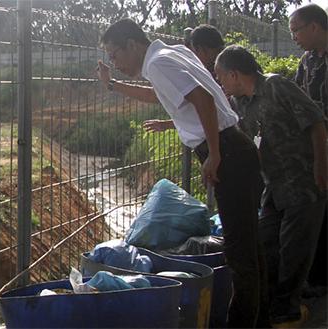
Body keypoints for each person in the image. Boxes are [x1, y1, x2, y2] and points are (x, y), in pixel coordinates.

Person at [97, 18, 268, 328]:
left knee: (241, 253)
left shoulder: (160, 63)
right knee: (249, 246)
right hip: (235, 147)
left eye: (115, 54)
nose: (115, 62)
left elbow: (202, 98)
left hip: (226, 150)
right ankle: (262, 319)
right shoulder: (172, 53)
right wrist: (112, 85)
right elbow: (162, 96)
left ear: (132, 45)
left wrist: (214, 154)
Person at [214, 45, 327, 327]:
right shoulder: (241, 103)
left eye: (221, 76)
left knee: (295, 250)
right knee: (264, 245)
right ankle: (270, 305)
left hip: (304, 181)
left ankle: (287, 308)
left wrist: (321, 167)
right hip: (273, 185)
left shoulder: (277, 86)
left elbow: (316, 124)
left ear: (234, 74)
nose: (220, 82)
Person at [289, 3, 328, 295]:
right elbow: (296, 98)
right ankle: (316, 276)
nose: (293, 36)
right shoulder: (307, 61)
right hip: (313, 145)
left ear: (315, 27)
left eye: (296, 29)